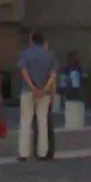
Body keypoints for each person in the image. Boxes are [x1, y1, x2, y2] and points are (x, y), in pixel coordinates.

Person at [18, 28, 58, 162]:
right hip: (44, 92)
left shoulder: (25, 54)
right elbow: (53, 75)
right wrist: (44, 89)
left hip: (27, 91)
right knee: (43, 121)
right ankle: (42, 152)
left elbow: (24, 72)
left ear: (32, 41)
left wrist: (33, 88)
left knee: (26, 121)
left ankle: (24, 153)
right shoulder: (50, 55)